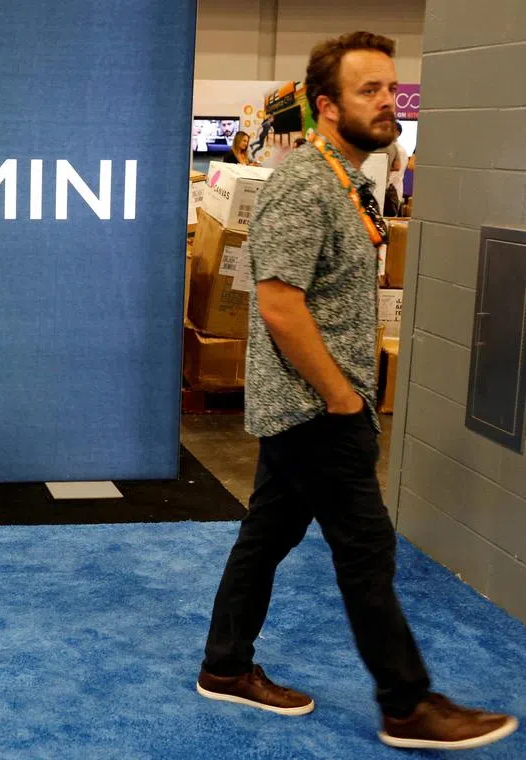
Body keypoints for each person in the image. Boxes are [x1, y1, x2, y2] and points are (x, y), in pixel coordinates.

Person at [196, 31, 518, 752]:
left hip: (317, 405)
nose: (389, 101)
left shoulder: (350, 179)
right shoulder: (305, 183)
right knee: (366, 548)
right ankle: (407, 704)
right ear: (326, 106)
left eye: (390, 87)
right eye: (368, 90)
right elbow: (278, 302)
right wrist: (343, 397)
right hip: (316, 408)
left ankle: (224, 666)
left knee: (267, 535)